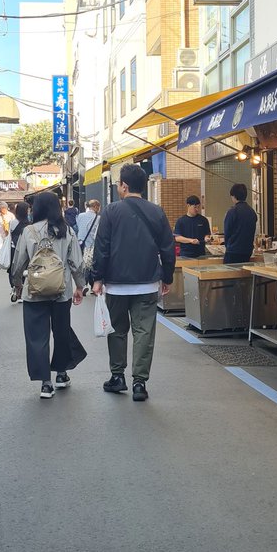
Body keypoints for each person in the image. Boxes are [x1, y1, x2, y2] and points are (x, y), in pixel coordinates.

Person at [90, 163, 175, 402]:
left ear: (124, 186)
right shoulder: (157, 211)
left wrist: (97, 278)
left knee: (117, 330)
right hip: (147, 282)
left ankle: (118, 377)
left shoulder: (110, 211)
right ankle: (140, 382)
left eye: (118, 184)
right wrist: (166, 277)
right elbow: (168, 249)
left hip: (116, 284)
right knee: (144, 332)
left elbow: (102, 248)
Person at [10, 190, 86, 398]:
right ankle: (61, 374)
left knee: (37, 337)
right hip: (61, 292)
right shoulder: (67, 230)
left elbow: (18, 262)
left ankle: (45, 383)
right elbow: (76, 262)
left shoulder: (29, 231)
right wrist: (80, 286)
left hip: (34, 292)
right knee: (61, 332)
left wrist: (17, 283)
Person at [223, 183, 258, 264]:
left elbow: (227, 232)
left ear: (233, 196)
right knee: (243, 274)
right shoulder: (252, 212)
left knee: (230, 274)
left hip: (233, 251)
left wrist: (228, 246)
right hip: (247, 251)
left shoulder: (232, 211)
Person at [75, 198, 101, 293]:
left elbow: (78, 226)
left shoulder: (80, 216)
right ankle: (88, 284)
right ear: (95, 207)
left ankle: (86, 284)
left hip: (80, 243)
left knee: (83, 264)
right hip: (91, 244)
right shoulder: (98, 218)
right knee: (90, 264)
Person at [173, 195, 212, 259]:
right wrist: (190, 240)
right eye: (195, 207)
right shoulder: (181, 221)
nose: (197, 209)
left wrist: (206, 238)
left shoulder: (203, 220)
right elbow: (177, 238)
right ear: (188, 206)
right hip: (185, 254)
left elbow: (207, 234)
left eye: (198, 207)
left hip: (201, 254)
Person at [8, 199, 30, 303]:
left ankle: (15, 288)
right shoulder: (29, 223)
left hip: (14, 248)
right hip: (25, 249)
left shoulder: (12, 222)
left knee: (14, 268)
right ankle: (21, 291)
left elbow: (10, 234)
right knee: (24, 268)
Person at [0, 201, 12, 269]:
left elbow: (14, 225)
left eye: (2, 208)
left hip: (8, 234)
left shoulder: (11, 215)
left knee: (7, 248)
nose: (1, 210)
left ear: (6, 208)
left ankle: (6, 261)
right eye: (0, 209)